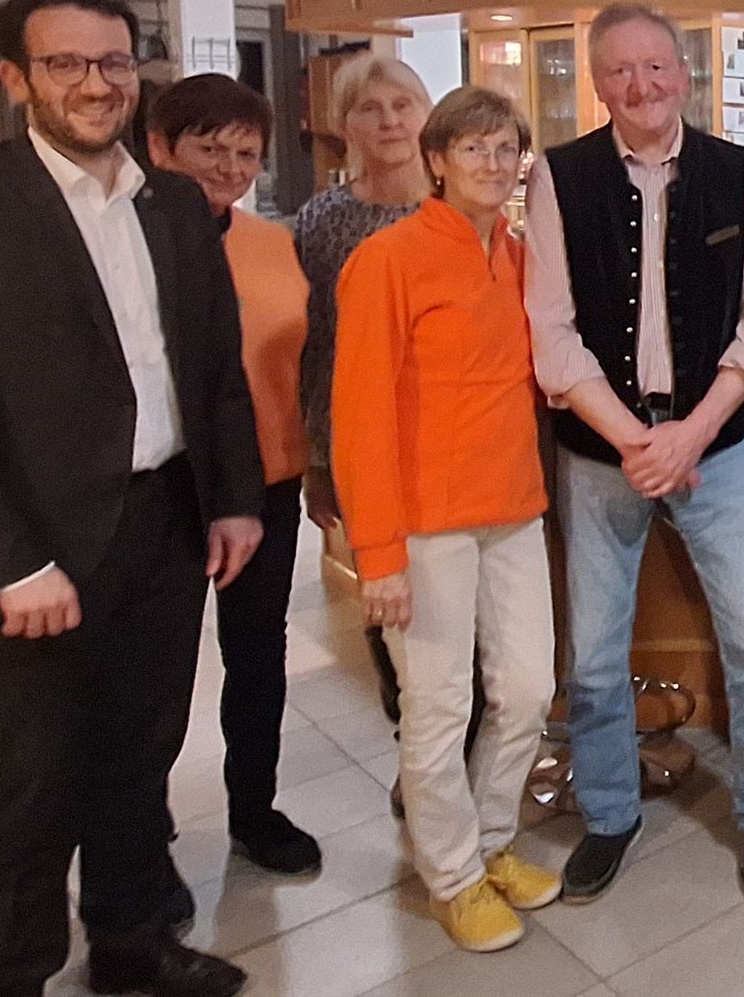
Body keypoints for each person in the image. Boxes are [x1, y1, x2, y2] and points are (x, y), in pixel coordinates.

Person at [0, 0, 262, 997]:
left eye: (114, 62)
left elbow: (213, 368)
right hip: (31, 542)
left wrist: (233, 498)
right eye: (66, 63)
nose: (95, 83)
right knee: (36, 775)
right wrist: (11, 563)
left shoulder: (175, 202)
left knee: (142, 748)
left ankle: (131, 941)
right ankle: (12, 974)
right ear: (16, 78)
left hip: (164, 520)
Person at [523, 2, 744, 902]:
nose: (641, 85)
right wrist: (635, 439)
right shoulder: (558, 176)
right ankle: (608, 813)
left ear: (683, 73)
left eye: (655, 66)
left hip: (716, 443)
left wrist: (692, 433)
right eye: (620, 70)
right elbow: (552, 332)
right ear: (597, 82)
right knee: (595, 656)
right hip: (604, 450)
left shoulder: (734, 171)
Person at [332, 86, 560, 952]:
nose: (493, 165)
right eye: (473, 149)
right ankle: (453, 877)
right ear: (436, 161)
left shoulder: (520, 255)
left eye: (506, 150)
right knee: (436, 703)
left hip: (514, 507)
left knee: (529, 689)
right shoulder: (388, 260)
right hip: (425, 522)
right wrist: (377, 553)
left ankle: (493, 840)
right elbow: (358, 414)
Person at [146, 73, 322, 876]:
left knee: (257, 655)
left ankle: (255, 808)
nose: (228, 166)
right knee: (159, 667)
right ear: (162, 147)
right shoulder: (131, 244)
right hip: (168, 485)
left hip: (268, 479)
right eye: (208, 147)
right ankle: (142, 828)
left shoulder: (273, 244)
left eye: (245, 153)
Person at [294, 53, 433, 751]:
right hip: (366, 447)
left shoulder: (461, 207)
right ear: (344, 125)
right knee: (391, 610)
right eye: (370, 109)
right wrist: (318, 459)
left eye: (402, 105)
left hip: (452, 443)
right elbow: (317, 346)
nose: (389, 122)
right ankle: (413, 752)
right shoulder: (324, 220)